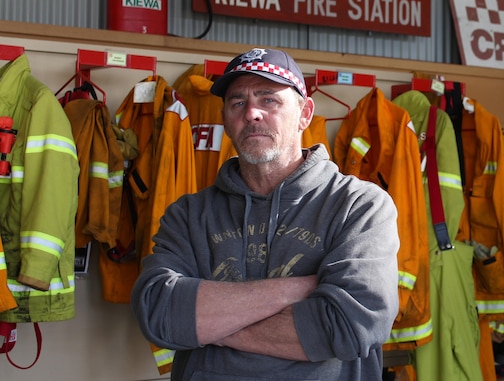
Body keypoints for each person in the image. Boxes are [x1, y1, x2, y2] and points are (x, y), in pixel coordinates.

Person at [131, 48, 400, 380]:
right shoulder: (188, 214)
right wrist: (300, 288)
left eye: (269, 99)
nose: (252, 113)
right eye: (238, 102)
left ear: (305, 114)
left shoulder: (358, 206)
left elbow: (347, 326)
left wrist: (204, 327)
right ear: (226, 119)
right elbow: (158, 313)